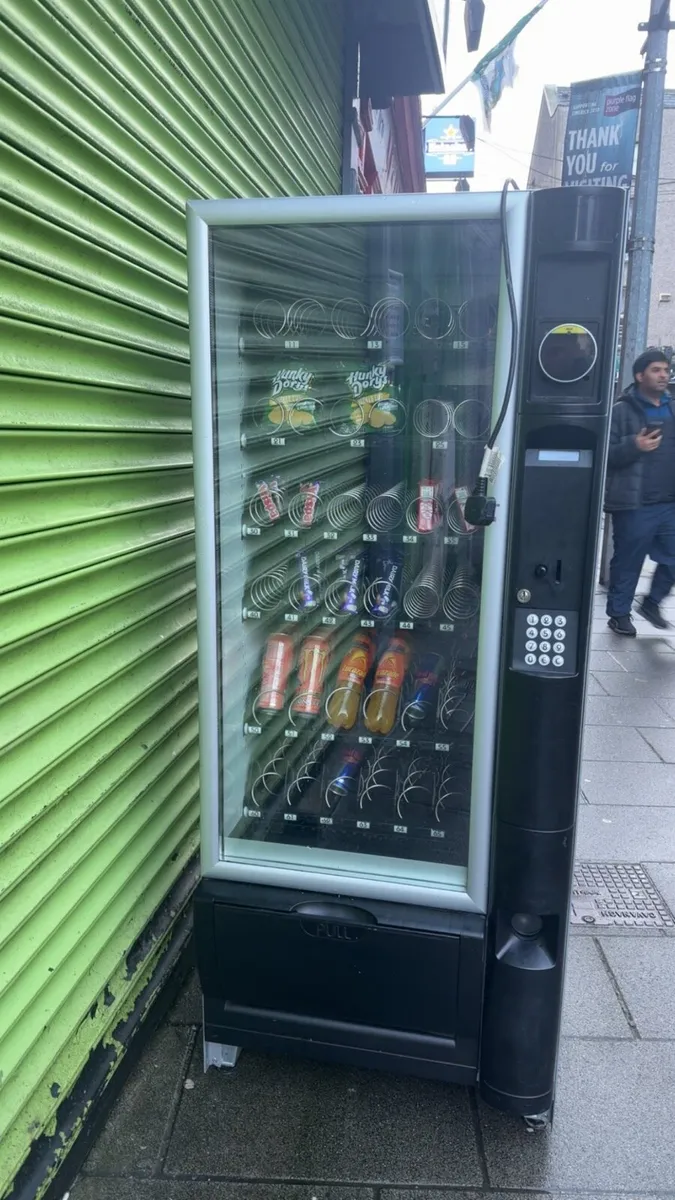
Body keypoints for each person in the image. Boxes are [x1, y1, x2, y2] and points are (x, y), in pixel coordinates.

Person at [605, 348, 675, 636]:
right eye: (656, 370)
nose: (663, 375)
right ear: (639, 375)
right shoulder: (621, 410)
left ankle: (652, 602)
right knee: (628, 561)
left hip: (669, 503)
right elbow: (604, 455)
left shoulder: (672, 407)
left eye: (666, 370)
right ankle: (619, 614)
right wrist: (635, 445)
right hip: (633, 503)